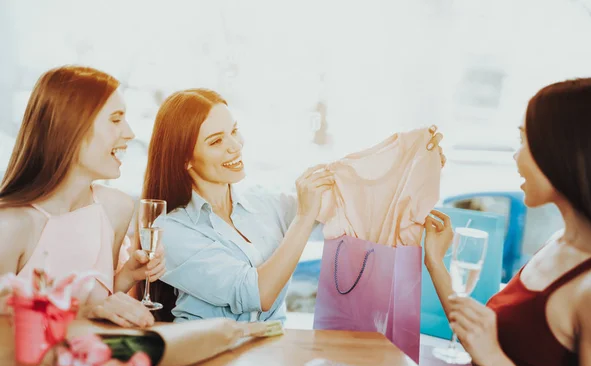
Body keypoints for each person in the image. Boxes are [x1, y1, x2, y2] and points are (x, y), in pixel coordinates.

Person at [141, 88, 444, 323]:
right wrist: (302, 217)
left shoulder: (263, 203)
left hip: (267, 356)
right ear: (185, 158)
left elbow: (354, 196)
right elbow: (256, 294)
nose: (236, 145)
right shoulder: (170, 230)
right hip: (203, 364)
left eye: (234, 131)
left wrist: (413, 164)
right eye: (216, 141)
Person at [424, 78, 591, 366]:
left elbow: (489, 354)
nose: (516, 157)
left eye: (524, 141)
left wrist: (493, 359)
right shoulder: (555, 243)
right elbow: (479, 340)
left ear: (563, 153)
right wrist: (435, 262)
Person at [0, 66, 166, 328]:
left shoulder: (116, 208)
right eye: (115, 119)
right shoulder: (11, 225)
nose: (130, 133)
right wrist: (85, 311)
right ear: (71, 127)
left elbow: (104, 302)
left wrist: (128, 276)